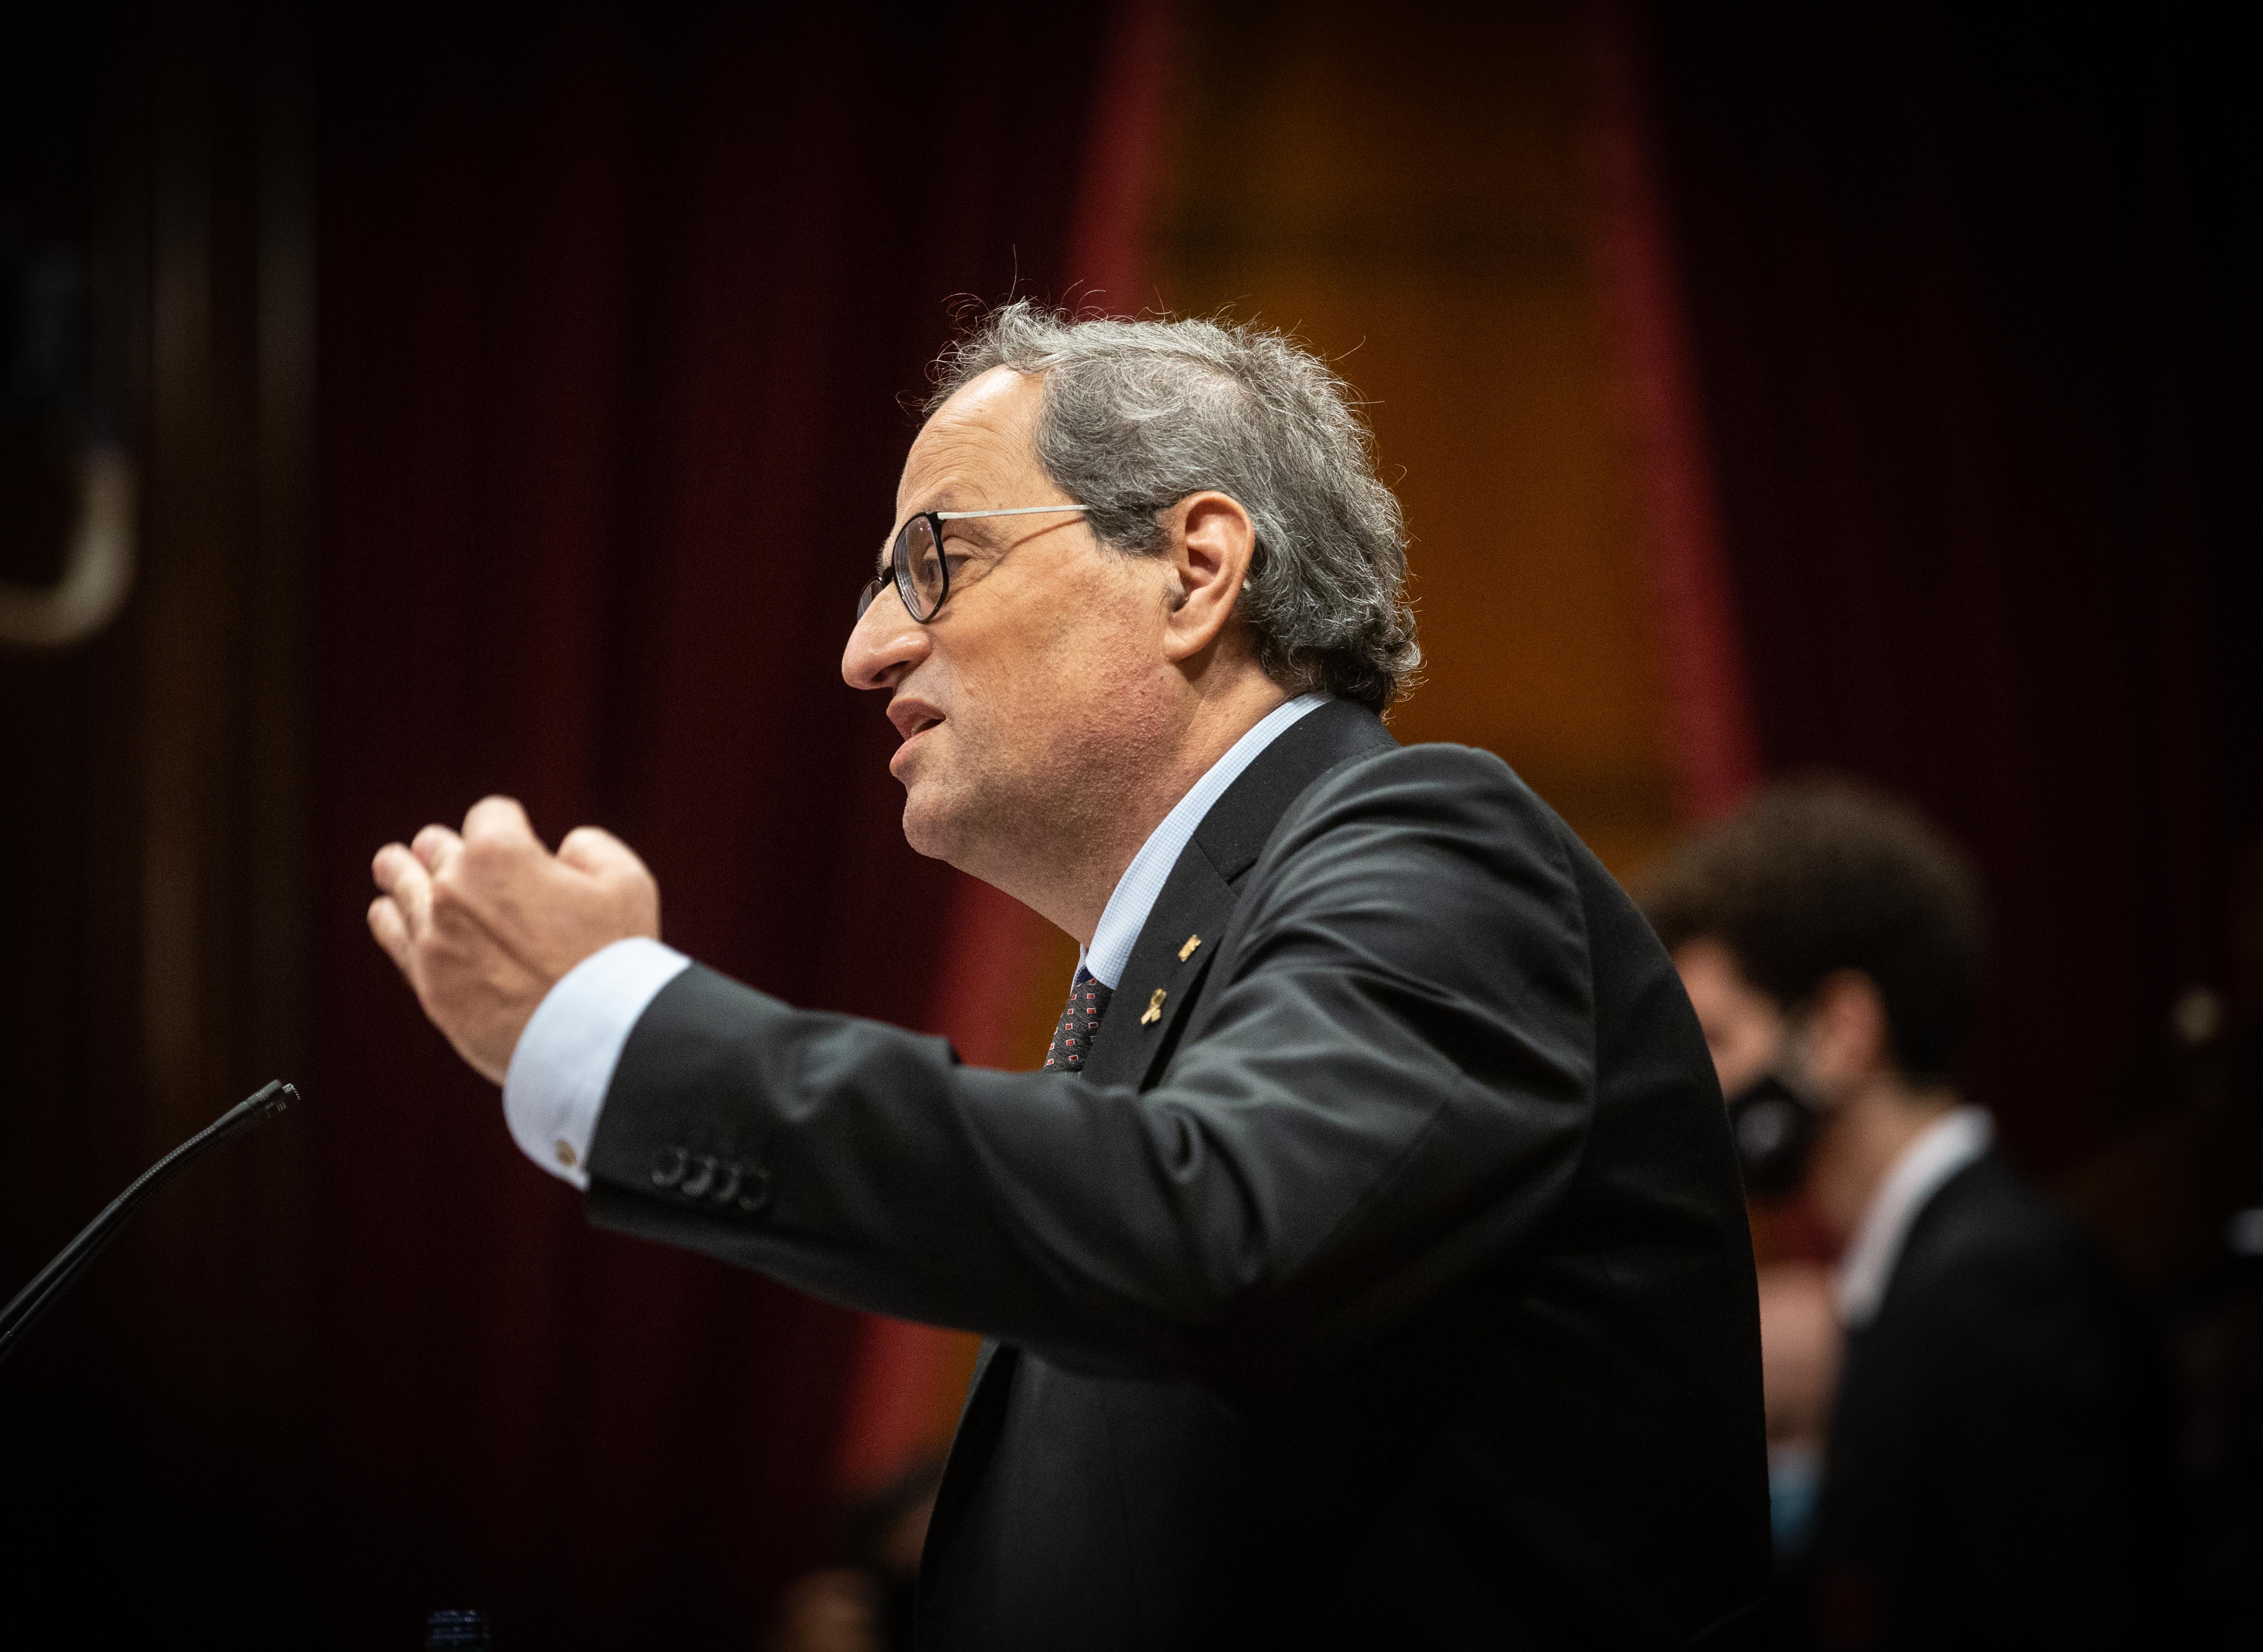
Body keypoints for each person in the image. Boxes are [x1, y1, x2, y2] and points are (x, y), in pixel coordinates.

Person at [368, 304, 1769, 1648]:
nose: (864, 653)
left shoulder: (1433, 847)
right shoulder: (1168, 977)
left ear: (1194, 570)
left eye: (933, 561)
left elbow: (1206, 1229)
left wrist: (625, 1032)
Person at [1645, 779, 2181, 1649]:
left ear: (1842, 1029)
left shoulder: (1997, 1286)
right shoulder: (1919, 1274)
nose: (1693, 1087)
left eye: (1715, 1038)